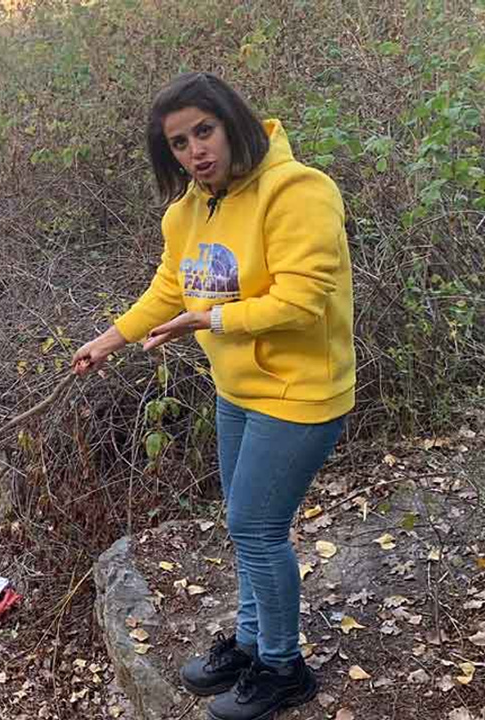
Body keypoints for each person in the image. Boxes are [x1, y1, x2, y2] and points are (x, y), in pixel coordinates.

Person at [72, 72, 353, 720]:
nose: (195, 150)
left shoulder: (299, 192)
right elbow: (171, 287)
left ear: (233, 123)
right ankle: (253, 644)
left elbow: (303, 297)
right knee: (248, 526)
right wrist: (109, 340)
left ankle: (284, 668)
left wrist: (213, 320)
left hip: (301, 393)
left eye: (205, 131)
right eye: (178, 142)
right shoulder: (189, 211)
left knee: (255, 526)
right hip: (239, 389)